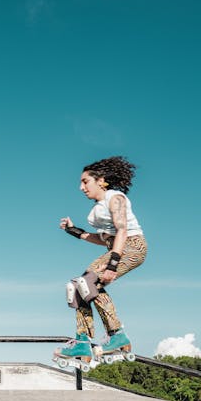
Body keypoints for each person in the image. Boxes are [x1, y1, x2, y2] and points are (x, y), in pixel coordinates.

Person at [56, 155, 147, 362]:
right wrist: (75, 231)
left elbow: (122, 231)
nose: (81, 187)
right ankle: (83, 343)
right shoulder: (97, 210)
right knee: (78, 286)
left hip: (133, 246)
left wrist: (113, 264)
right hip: (115, 247)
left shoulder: (115, 198)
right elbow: (104, 239)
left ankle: (117, 336)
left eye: (85, 182)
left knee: (88, 282)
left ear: (101, 180)